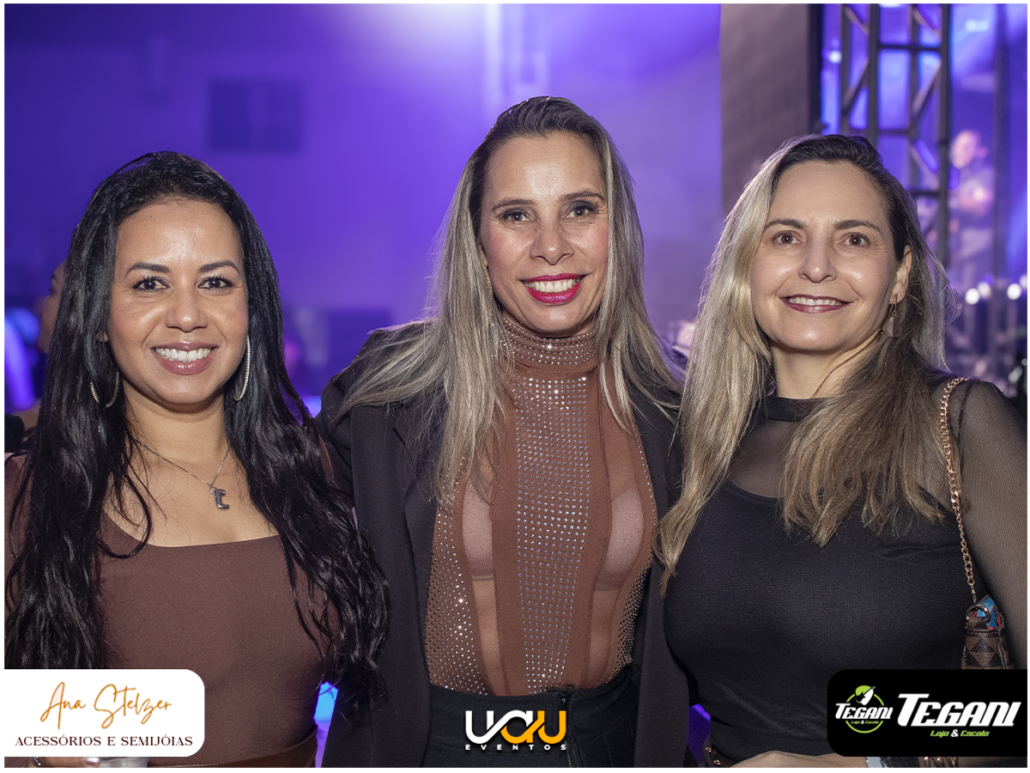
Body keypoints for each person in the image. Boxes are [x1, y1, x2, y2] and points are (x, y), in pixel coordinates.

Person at [316, 96, 691, 766]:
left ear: (619, 227)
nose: (551, 245)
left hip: (607, 750)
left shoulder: (675, 406)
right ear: (478, 238)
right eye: (516, 214)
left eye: (580, 209)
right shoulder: (388, 392)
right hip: (432, 754)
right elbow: (266, 529)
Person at [5, 152, 388, 767]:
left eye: (215, 282)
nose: (187, 316)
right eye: (149, 284)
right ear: (98, 316)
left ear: (250, 309)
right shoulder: (29, 502)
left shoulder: (317, 474)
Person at [659, 134, 1026, 767]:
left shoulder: (957, 425)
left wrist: (860, 762)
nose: (817, 266)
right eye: (786, 236)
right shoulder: (706, 442)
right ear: (748, 264)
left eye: (854, 239)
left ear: (900, 276)